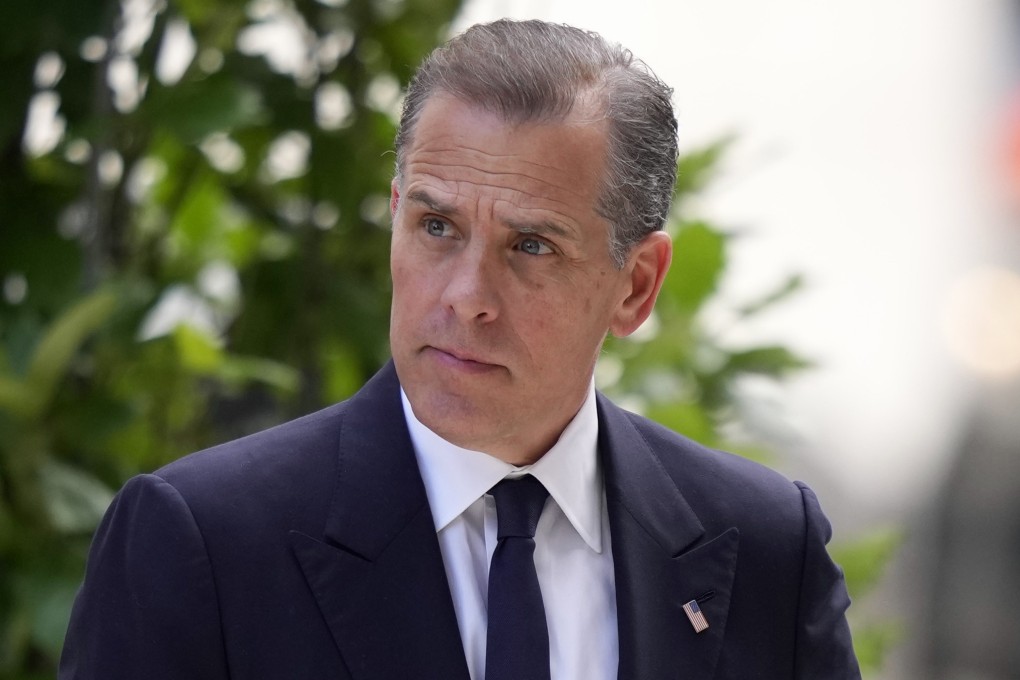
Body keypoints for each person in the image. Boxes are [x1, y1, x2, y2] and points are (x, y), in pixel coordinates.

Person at [60, 19, 861, 680]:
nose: (466, 296)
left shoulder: (766, 548)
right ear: (396, 215)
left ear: (636, 286)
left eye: (532, 246)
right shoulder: (205, 544)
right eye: (437, 227)